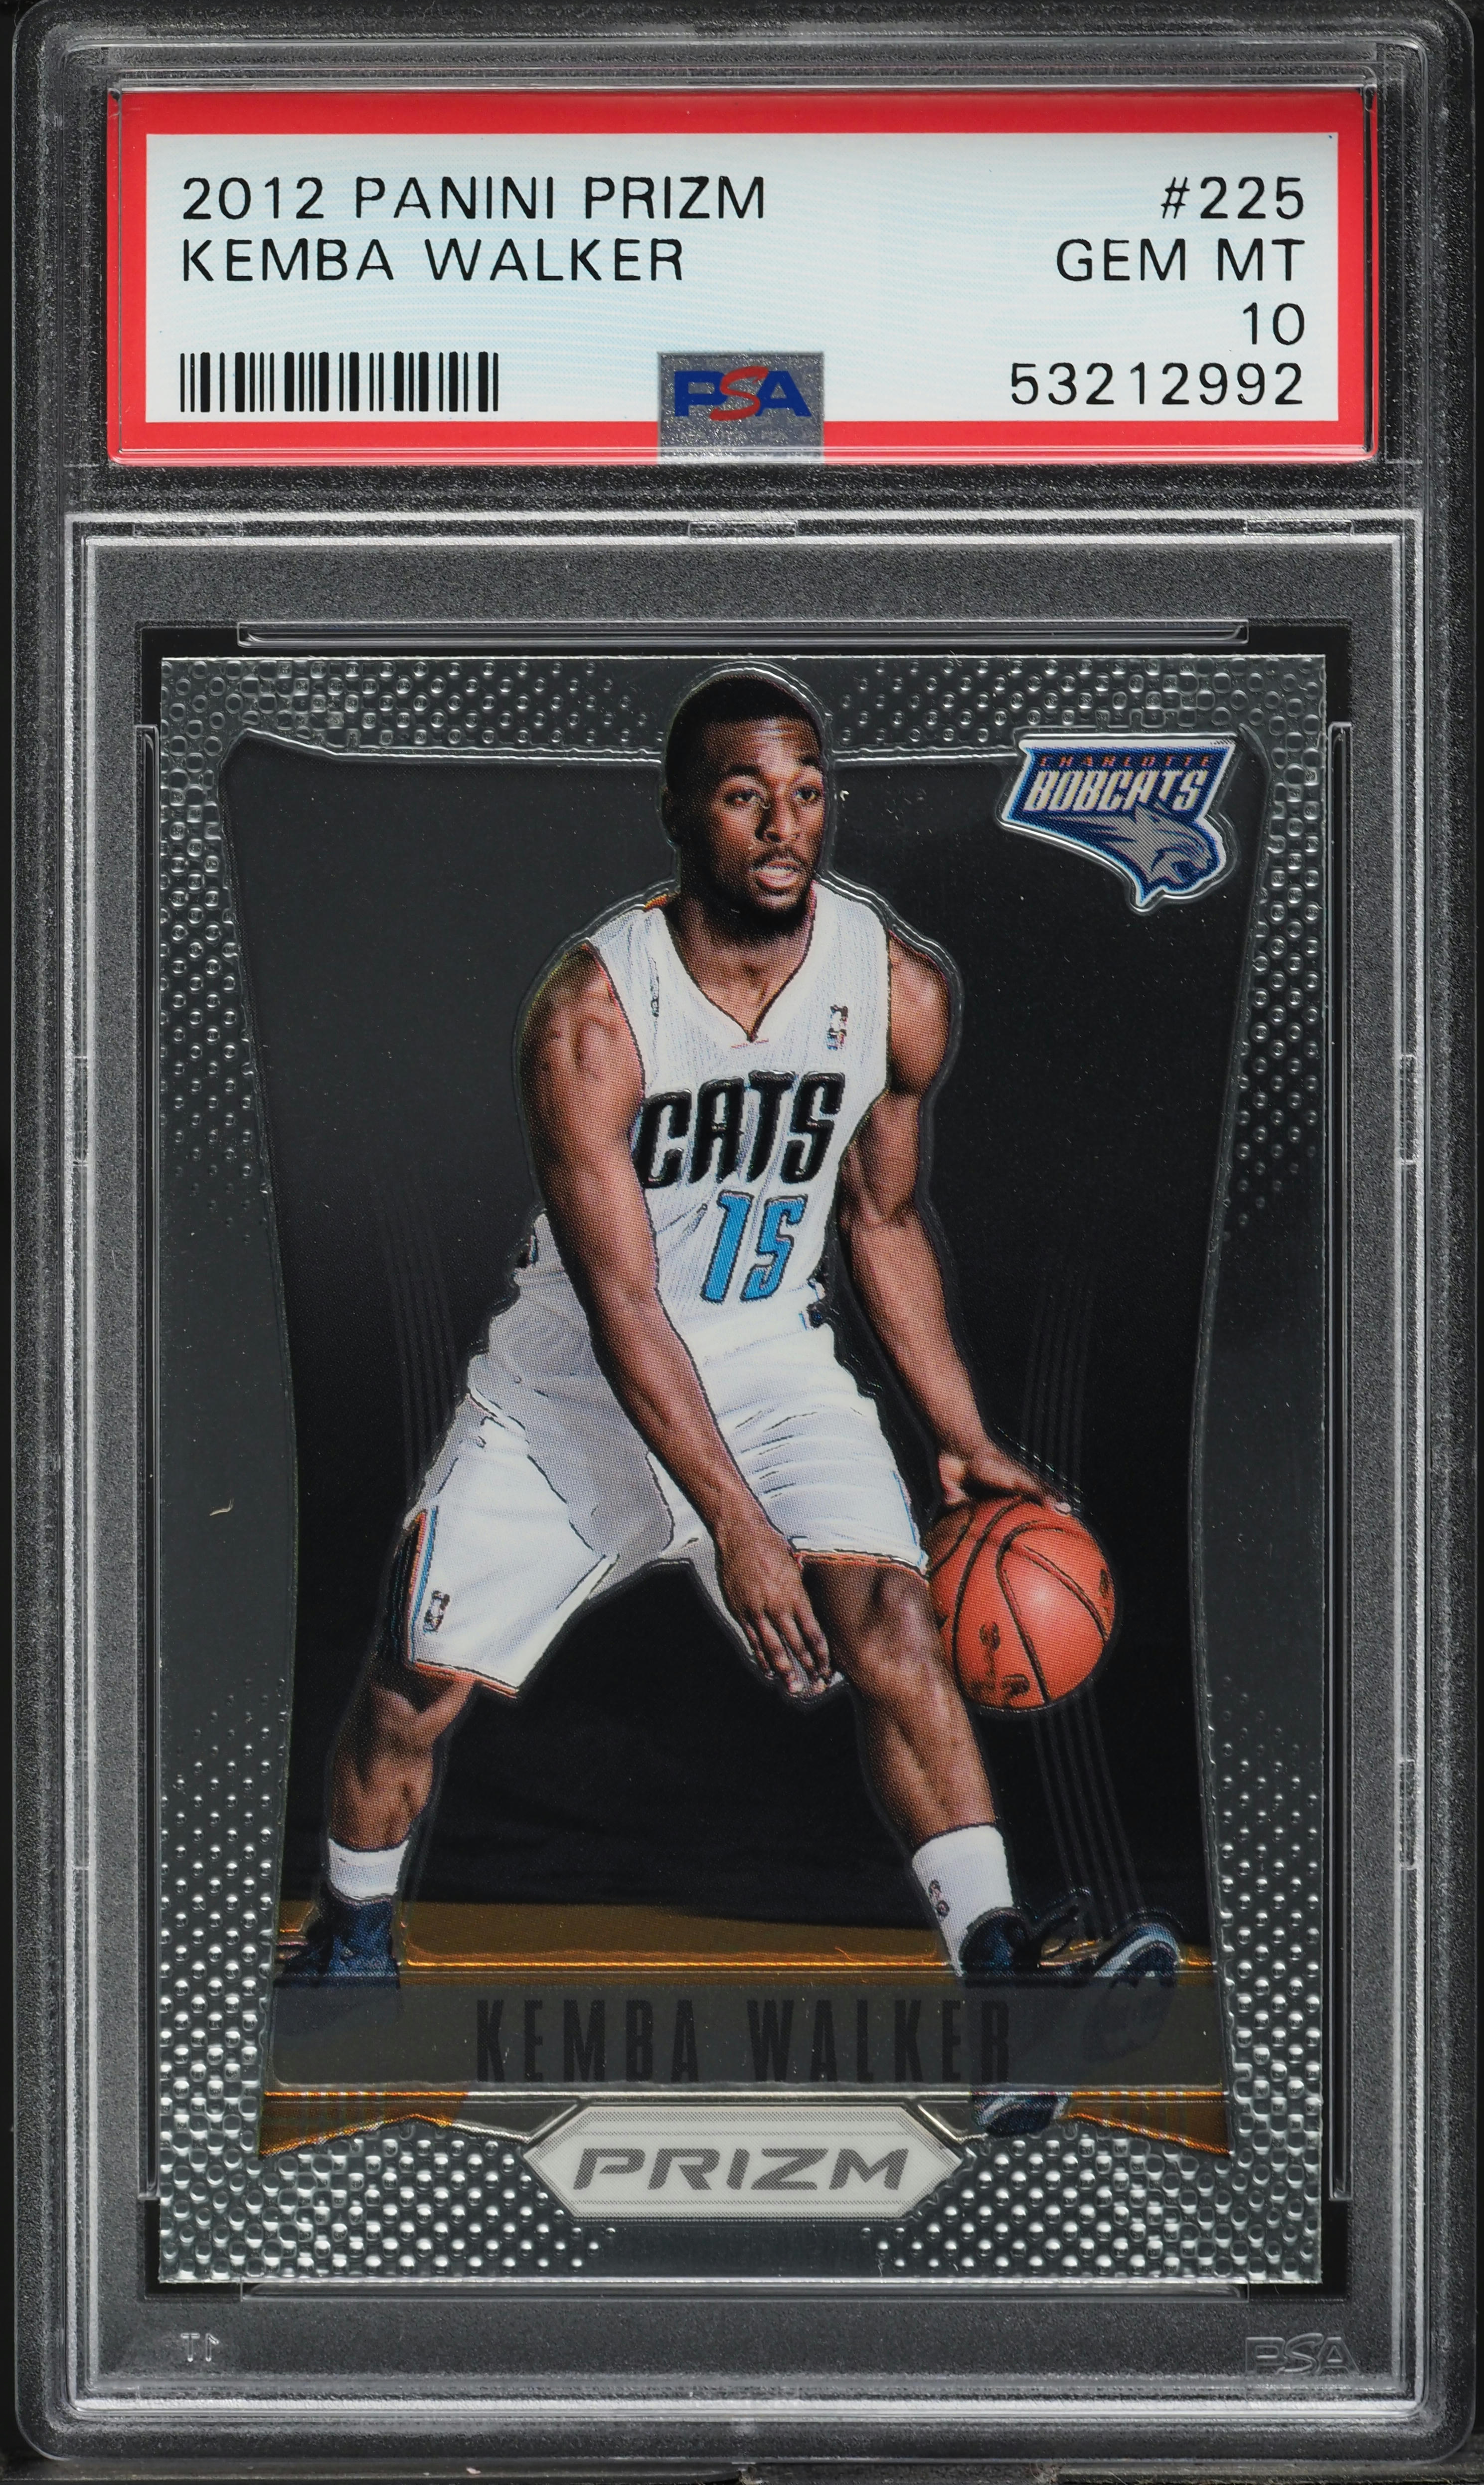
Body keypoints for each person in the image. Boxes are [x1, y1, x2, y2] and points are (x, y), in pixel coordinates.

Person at [286, 670, 1175, 2020]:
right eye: (745, 796)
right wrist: (740, 1527)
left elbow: (880, 1220)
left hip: (768, 1365)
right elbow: (624, 1304)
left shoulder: (893, 987)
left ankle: (997, 1969)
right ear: (680, 813)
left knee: (895, 1624)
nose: (782, 825)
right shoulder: (593, 1016)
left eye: (806, 794)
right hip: (572, 1391)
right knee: (415, 1687)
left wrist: (959, 1434)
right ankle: (352, 1935)